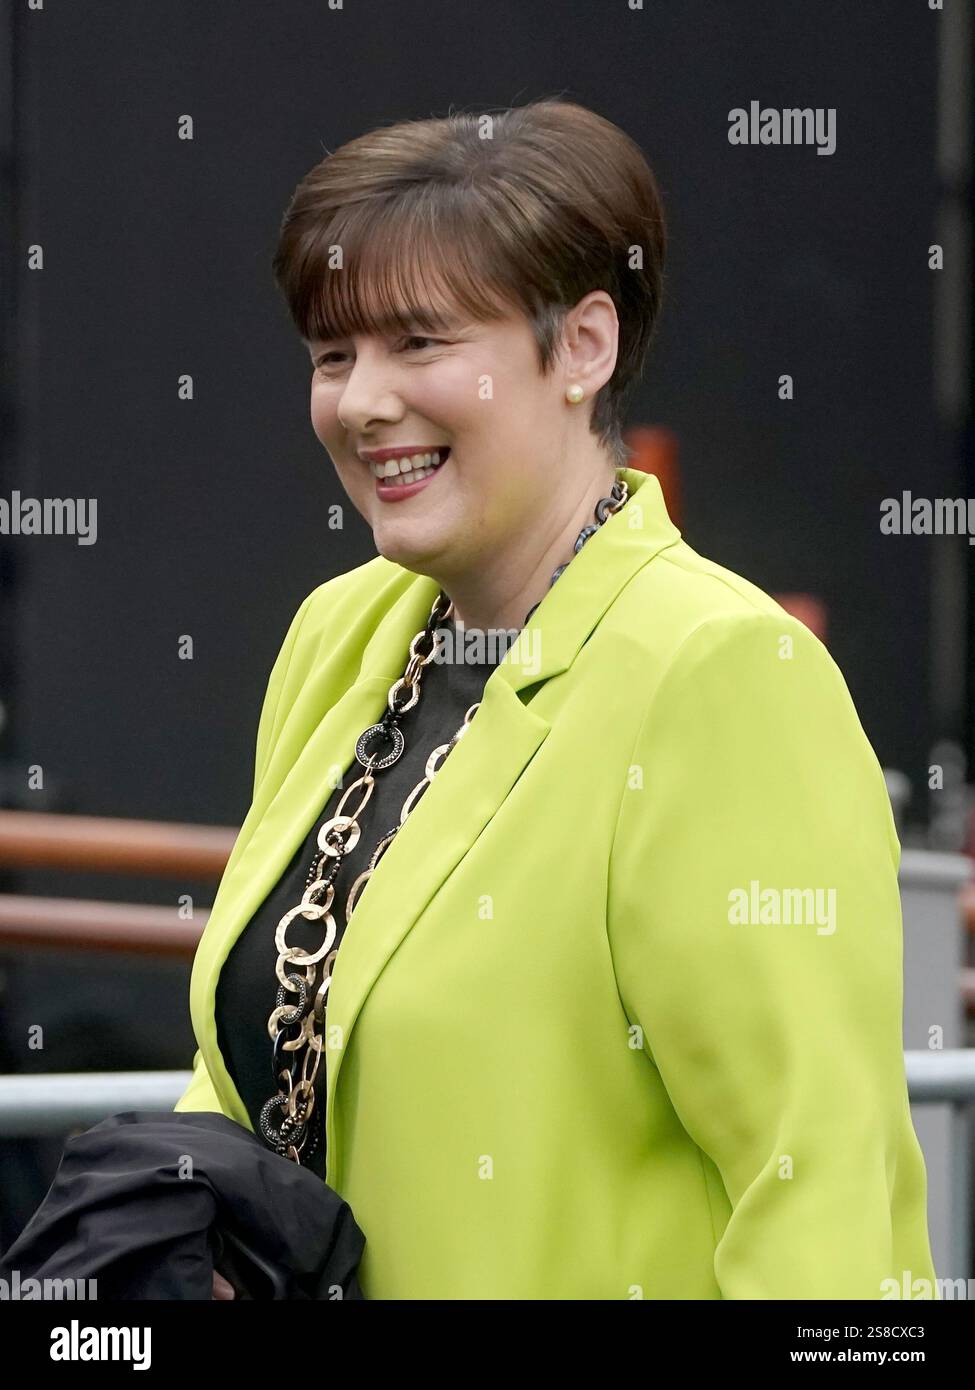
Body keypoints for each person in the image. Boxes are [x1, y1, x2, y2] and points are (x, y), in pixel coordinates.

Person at [176, 97, 938, 1299]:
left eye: (419, 343)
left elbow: (820, 1191)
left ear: (584, 346)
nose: (362, 400)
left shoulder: (720, 670)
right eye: (334, 354)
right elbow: (258, 1058)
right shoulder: (341, 632)